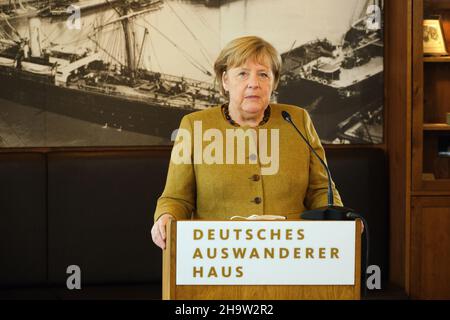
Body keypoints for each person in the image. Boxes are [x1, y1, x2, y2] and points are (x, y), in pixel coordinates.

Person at [151, 36, 342, 249]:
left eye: (263, 74)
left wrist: (338, 220)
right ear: (225, 80)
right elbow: (177, 198)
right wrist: (166, 218)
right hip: (218, 256)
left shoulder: (298, 120)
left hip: (292, 253)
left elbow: (321, 190)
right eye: (242, 73)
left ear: (274, 82)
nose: (254, 83)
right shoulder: (194, 125)